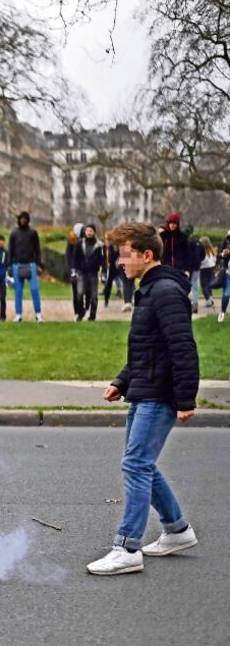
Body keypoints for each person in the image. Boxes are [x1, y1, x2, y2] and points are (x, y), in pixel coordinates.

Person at [88, 222, 199, 576]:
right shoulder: (151, 290)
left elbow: (183, 348)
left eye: (125, 254)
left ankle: (127, 547)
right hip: (145, 389)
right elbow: (147, 348)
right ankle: (177, 530)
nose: (120, 261)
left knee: (135, 465)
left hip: (159, 395)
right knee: (141, 464)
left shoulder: (164, 291)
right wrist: (122, 381)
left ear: (146, 255)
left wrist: (185, 400)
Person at [7, 211, 43, 322]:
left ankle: (38, 314)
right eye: (21, 218)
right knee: (18, 291)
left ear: (28, 219)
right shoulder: (14, 233)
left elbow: (37, 249)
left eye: (25, 218)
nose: (23, 220)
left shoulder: (33, 233)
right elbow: (10, 250)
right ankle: (18, 314)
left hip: (31, 264)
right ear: (18, 220)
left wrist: (38, 264)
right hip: (17, 264)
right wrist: (9, 265)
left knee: (34, 289)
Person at [75, 223, 105, 321]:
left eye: (91, 231)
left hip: (93, 273)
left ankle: (92, 316)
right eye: (88, 231)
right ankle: (80, 313)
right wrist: (75, 269)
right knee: (79, 294)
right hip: (82, 273)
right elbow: (75, 258)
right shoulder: (80, 243)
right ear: (85, 232)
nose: (89, 233)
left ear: (94, 232)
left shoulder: (99, 245)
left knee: (94, 296)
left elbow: (102, 260)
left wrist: (103, 272)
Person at [103, 240, 134, 312]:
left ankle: (128, 301)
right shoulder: (111, 246)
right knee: (109, 284)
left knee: (128, 283)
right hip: (113, 268)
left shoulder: (125, 245)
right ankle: (106, 301)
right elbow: (109, 258)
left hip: (123, 266)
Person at [160, 212, 191, 277]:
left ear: (177, 224)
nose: (172, 225)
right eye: (171, 223)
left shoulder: (183, 237)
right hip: (165, 267)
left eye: (174, 223)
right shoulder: (163, 236)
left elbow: (187, 254)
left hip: (179, 268)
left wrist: (187, 269)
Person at [65, 224, 84, 320]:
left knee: (83, 292)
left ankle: (83, 310)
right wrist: (70, 270)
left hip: (84, 270)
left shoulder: (85, 241)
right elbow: (68, 257)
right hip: (74, 270)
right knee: (76, 293)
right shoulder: (71, 241)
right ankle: (77, 312)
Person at [198, 236, 217, 309]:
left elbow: (203, 261)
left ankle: (208, 299)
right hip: (211, 268)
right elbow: (215, 259)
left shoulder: (202, 251)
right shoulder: (212, 250)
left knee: (204, 285)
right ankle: (211, 298)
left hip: (204, 269)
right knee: (209, 284)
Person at [219, 229, 230, 323]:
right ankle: (222, 311)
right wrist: (224, 254)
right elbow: (221, 256)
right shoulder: (226, 245)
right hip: (228, 273)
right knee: (226, 295)